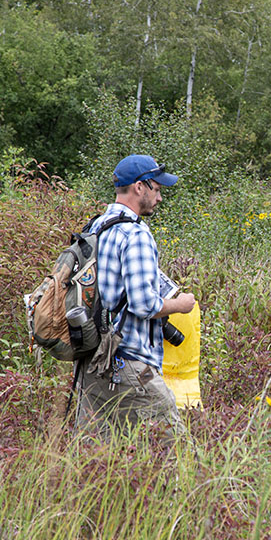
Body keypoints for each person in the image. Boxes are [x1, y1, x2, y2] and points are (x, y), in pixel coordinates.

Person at [75, 154, 196, 439]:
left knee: (96, 462)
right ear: (139, 187)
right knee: (176, 453)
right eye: (157, 188)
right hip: (128, 363)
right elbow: (144, 304)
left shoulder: (95, 227)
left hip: (93, 360)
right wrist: (180, 305)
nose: (160, 198)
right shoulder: (136, 234)